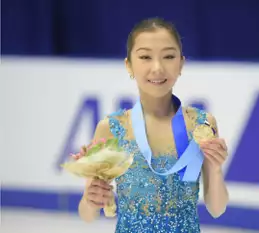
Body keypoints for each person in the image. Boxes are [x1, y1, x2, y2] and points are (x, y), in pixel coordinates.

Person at [77, 17, 229, 233]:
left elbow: (217, 208)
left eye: (168, 56)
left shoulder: (201, 125)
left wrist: (215, 168)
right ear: (129, 65)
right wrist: (91, 199)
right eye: (145, 57)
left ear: (181, 64)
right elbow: (87, 214)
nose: (157, 68)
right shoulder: (111, 128)